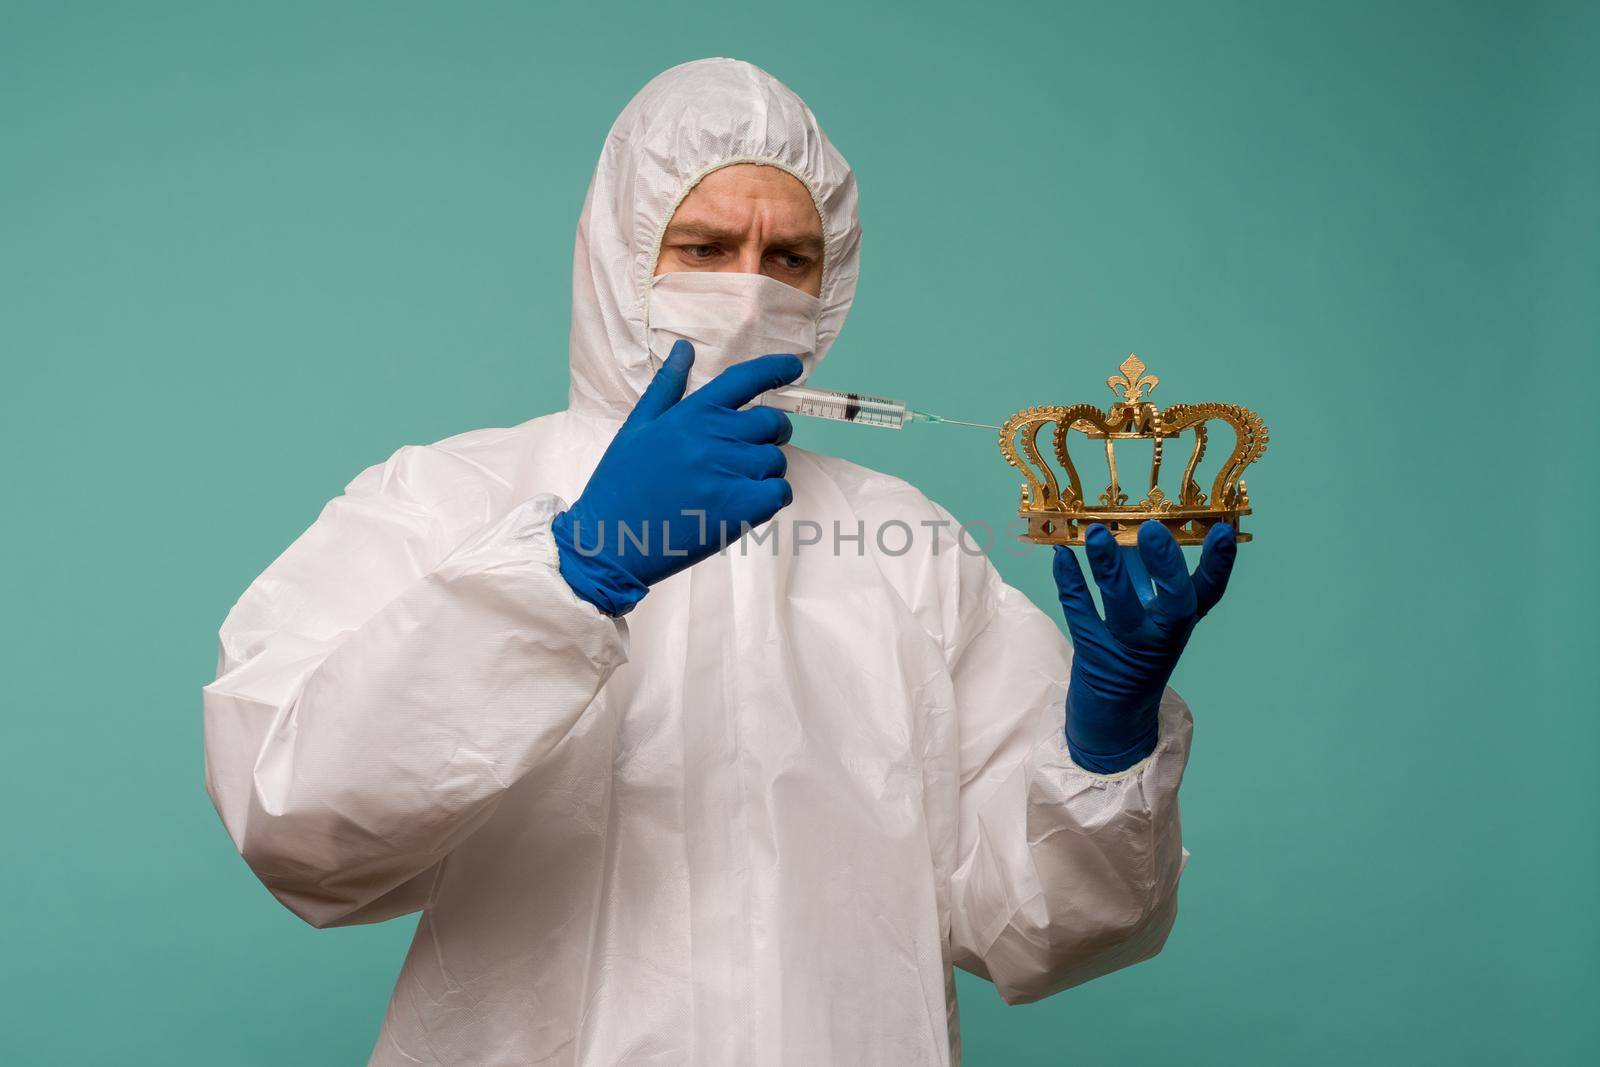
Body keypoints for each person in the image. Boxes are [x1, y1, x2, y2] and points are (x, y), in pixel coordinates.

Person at [203, 57, 1237, 1066]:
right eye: (701, 246)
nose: (748, 289)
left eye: (788, 258)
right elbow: (296, 821)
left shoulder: (905, 541)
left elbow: (1035, 926)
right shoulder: (447, 497)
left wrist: (1107, 750)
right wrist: (564, 571)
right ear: (617, 255)